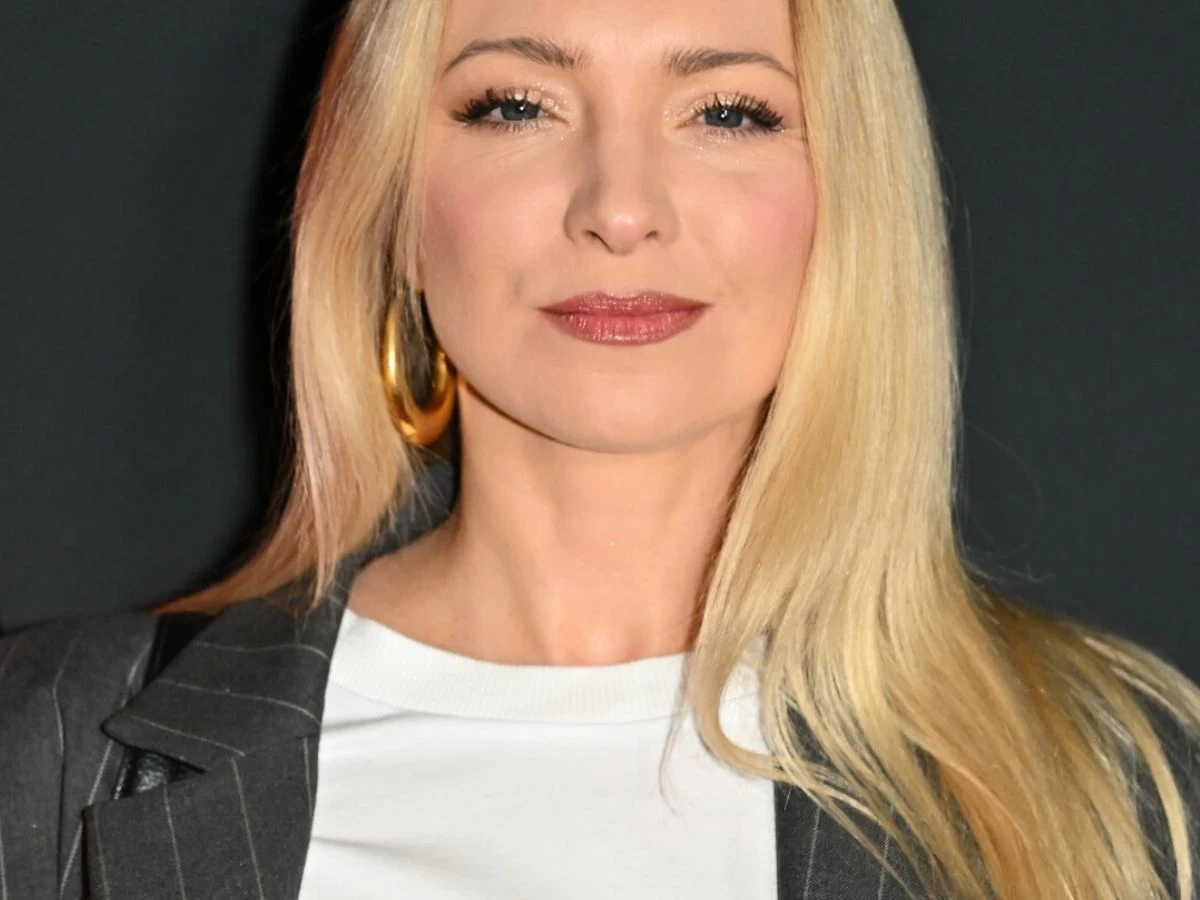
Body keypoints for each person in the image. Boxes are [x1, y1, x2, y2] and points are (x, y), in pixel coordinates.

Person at [2, 0, 1198, 897]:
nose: (621, 208)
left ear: (849, 192)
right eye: (516, 105)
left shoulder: (1118, 787)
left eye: (726, 112)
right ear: (391, 198)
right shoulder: (48, 749)